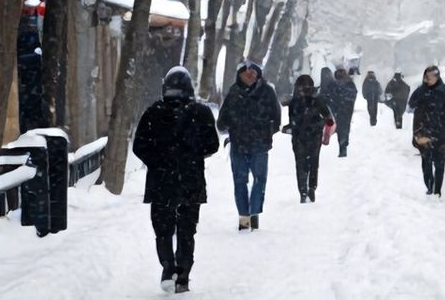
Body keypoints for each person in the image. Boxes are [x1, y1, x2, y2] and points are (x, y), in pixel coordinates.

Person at [133, 67, 219, 294]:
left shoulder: (154, 112)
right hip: (190, 181)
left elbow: (139, 146)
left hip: (161, 182)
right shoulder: (200, 113)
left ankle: (168, 266)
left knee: (162, 229)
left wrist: (159, 161)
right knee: (186, 229)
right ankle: (183, 274)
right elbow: (213, 144)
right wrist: (192, 154)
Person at [217, 60, 281, 232]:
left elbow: (277, 117)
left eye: (253, 73)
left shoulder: (267, 92)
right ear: (239, 75)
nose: (249, 76)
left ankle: (254, 214)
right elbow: (222, 121)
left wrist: (266, 133)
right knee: (240, 181)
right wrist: (229, 127)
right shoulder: (234, 92)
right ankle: (244, 217)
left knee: (259, 180)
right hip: (238, 144)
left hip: (260, 145)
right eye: (246, 73)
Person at [408, 66, 445, 197]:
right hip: (423, 132)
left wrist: (441, 113)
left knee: (440, 162)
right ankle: (430, 187)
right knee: (426, 162)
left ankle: (437, 191)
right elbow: (411, 104)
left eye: (430, 77)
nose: (427, 79)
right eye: (426, 77)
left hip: (440, 132)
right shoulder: (421, 91)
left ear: (437, 77)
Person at [287, 74, 334, 203]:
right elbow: (328, 119)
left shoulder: (295, 102)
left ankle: (304, 190)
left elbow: (292, 120)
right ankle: (310, 187)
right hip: (313, 136)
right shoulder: (317, 100)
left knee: (301, 164)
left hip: (300, 136)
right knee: (313, 163)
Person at [321, 68, 357, 157]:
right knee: (343, 128)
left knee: (342, 128)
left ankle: (343, 146)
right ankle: (343, 146)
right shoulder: (345, 84)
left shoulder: (339, 84)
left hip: (341, 110)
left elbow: (328, 95)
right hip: (343, 110)